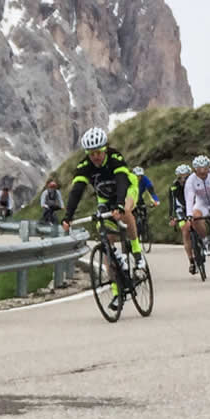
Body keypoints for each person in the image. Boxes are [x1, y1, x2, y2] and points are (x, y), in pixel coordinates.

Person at [60, 127, 146, 297]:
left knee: (126, 211)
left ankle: (136, 252)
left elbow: (121, 181)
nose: (96, 157)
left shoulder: (115, 157)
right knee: (106, 240)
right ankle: (116, 291)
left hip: (127, 190)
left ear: (104, 149)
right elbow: (77, 191)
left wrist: (120, 205)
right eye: (91, 154)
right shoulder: (84, 166)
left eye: (98, 152)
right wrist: (68, 217)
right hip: (105, 199)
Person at [169, 163, 195, 274]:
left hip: (194, 206)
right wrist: (172, 217)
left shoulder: (195, 183)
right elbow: (172, 203)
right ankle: (191, 261)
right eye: (181, 177)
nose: (183, 180)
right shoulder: (174, 187)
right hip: (181, 210)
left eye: (186, 177)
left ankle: (204, 241)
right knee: (185, 231)